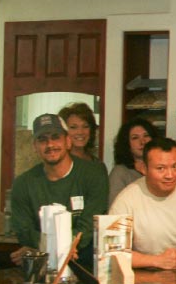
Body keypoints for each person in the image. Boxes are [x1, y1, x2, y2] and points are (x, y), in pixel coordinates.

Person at [9, 114, 108, 273]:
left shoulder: (94, 175)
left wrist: (45, 250)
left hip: (87, 267)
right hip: (41, 270)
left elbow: (89, 226)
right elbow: (24, 231)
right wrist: (56, 250)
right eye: (42, 139)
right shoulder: (23, 183)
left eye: (56, 137)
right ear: (35, 146)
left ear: (68, 141)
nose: (50, 144)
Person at [109, 137, 176, 271]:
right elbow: (112, 253)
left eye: (175, 166)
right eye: (161, 168)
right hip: (144, 278)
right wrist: (156, 261)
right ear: (144, 168)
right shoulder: (126, 201)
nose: (170, 175)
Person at [108, 117, 159, 205]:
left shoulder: (163, 169)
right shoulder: (120, 173)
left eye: (146, 136)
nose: (142, 142)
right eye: (135, 138)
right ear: (127, 143)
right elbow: (115, 208)